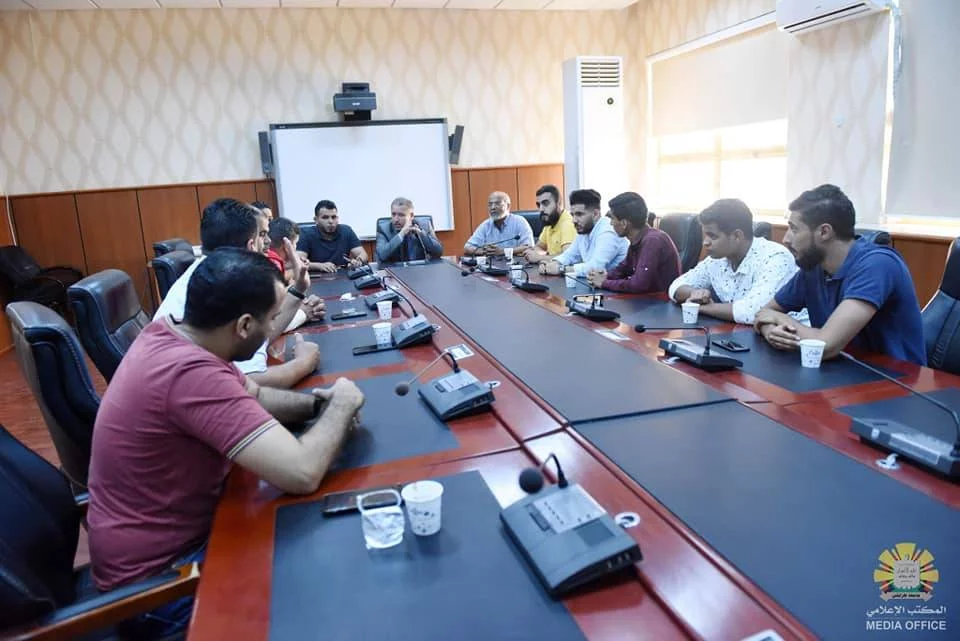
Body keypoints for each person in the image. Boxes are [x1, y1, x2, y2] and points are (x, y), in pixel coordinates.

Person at [88, 249, 365, 640]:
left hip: (174, 549)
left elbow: (253, 395)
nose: (274, 329)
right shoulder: (188, 372)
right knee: (330, 580)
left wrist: (316, 406)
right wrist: (341, 405)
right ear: (244, 325)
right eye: (272, 319)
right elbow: (302, 473)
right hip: (160, 589)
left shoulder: (172, 334)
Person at [155, 198, 324, 388]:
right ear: (251, 245)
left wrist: (299, 289)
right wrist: (304, 362)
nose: (268, 242)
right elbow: (250, 384)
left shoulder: (207, 271)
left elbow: (258, 336)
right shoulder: (230, 284)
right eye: (262, 234)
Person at [755, 184, 926, 364]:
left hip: (894, 376)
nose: (786, 239)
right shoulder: (814, 266)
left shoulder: (878, 264)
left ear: (824, 232)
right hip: (840, 369)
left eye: (794, 229)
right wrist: (771, 331)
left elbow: (825, 346)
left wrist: (780, 319)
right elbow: (764, 313)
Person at [668, 198, 805, 325]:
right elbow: (675, 286)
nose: (705, 242)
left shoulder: (775, 257)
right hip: (743, 332)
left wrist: (701, 307)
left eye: (712, 236)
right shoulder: (717, 259)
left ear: (737, 236)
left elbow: (755, 312)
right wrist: (695, 293)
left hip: (792, 335)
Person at [586, 192, 680, 293]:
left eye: (612, 218)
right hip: (645, 299)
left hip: (659, 300)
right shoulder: (637, 239)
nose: (611, 223)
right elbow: (623, 269)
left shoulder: (653, 241)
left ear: (624, 223)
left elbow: (638, 285)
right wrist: (604, 276)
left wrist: (604, 283)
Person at [540, 189, 628, 278]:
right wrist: (553, 263)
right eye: (572, 215)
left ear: (595, 214)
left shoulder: (608, 232)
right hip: (595, 283)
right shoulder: (584, 229)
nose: (574, 220)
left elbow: (595, 267)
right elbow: (569, 255)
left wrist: (561, 269)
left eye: (579, 214)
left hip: (617, 284)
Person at [297, 200, 368, 272]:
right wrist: (319, 266)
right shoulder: (306, 234)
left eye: (333, 217)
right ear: (316, 220)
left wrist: (358, 261)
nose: (330, 221)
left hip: (342, 275)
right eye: (325, 217)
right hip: (317, 276)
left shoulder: (346, 231)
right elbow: (298, 262)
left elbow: (363, 254)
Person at [463, 191, 534, 256]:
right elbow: (467, 247)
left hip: (515, 264)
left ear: (508, 206)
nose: (493, 207)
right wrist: (485, 251)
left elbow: (529, 247)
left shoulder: (519, 221)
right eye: (490, 204)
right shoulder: (486, 225)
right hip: (492, 263)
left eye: (497, 203)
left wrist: (503, 251)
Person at [375, 197, 443, 263]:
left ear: (411, 216)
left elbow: (438, 252)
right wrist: (401, 234)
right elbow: (381, 255)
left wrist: (421, 234)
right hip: (394, 269)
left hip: (419, 268)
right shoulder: (383, 229)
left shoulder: (424, 226)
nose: (396, 219)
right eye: (393, 214)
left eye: (401, 215)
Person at [523, 184, 576, 264]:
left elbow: (569, 258)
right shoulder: (550, 221)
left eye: (545, 203)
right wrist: (536, 254)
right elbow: (539, 247)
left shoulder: (568, 224)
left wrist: (539, 258)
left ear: (559, 203)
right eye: (538, 205)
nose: (541, 209)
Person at [267, 217, 302, 282]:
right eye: (295, 243)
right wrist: (296, 265)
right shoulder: (274, 261)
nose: (296, 246)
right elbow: (300, 275)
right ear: (287, 245)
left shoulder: (268, 255)